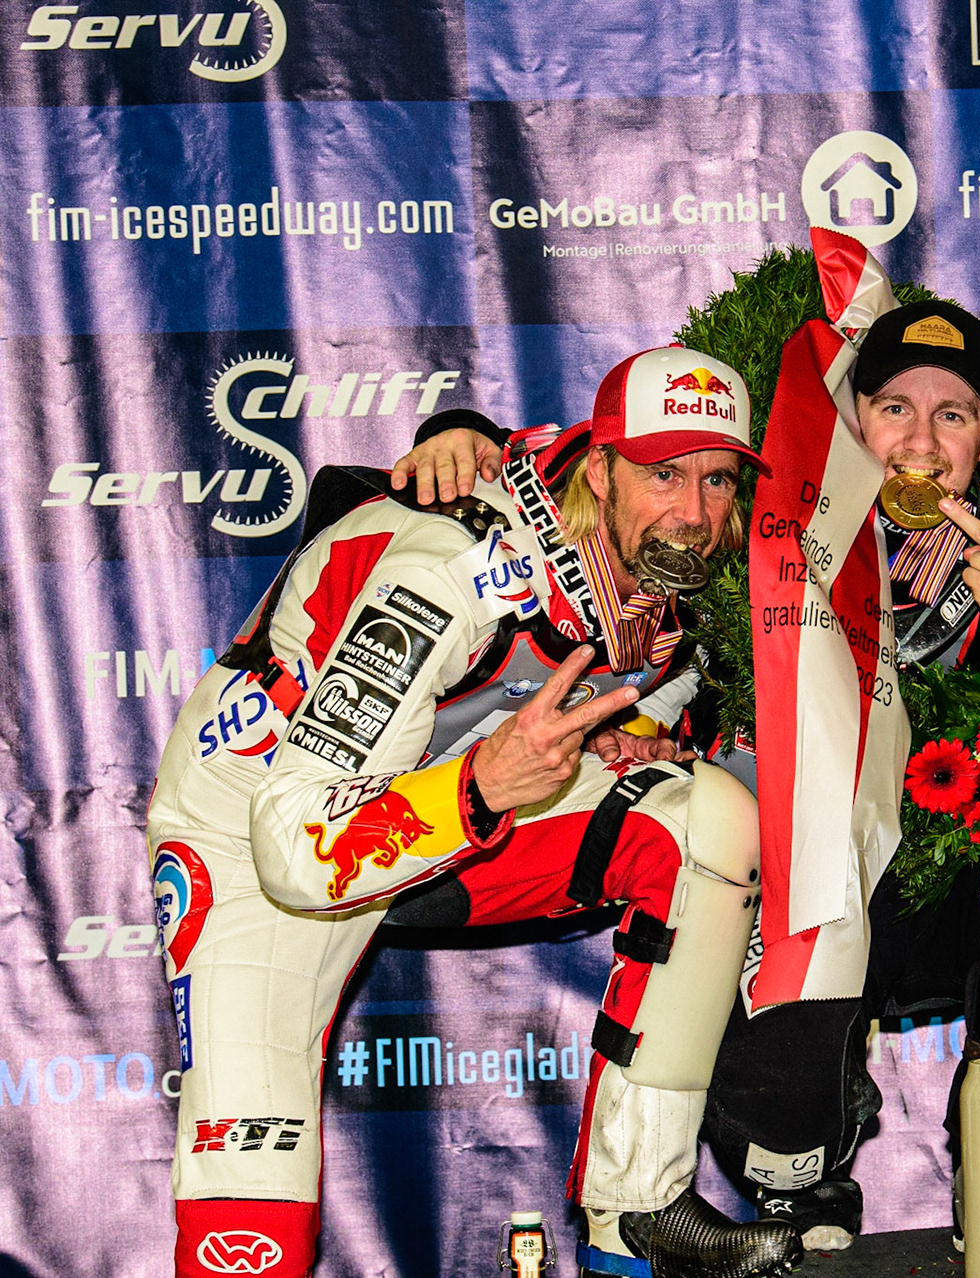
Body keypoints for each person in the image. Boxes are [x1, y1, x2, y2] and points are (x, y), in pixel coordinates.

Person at [403, 287, 980, 1253]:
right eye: (894, 410)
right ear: (849, 420)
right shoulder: (755, 520)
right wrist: (462, 435)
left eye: (951, 415)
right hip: (795, 889)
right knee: (732, 826)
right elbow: (615, 486)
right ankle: (797, 1188)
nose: (920, 441)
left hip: (951, 891)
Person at [149, 346, 805, 1278]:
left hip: (465, 803)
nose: (695, 514)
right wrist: (485, 788)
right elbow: (296, 846)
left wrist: (641, 737)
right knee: (253, 1212)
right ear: (601, 466)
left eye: (717, 478)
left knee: (709, 820)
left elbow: (662, 690)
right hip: (265, 825)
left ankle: (641, 1211)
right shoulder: (456, 564)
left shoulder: (683, 568)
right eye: (663, 473)